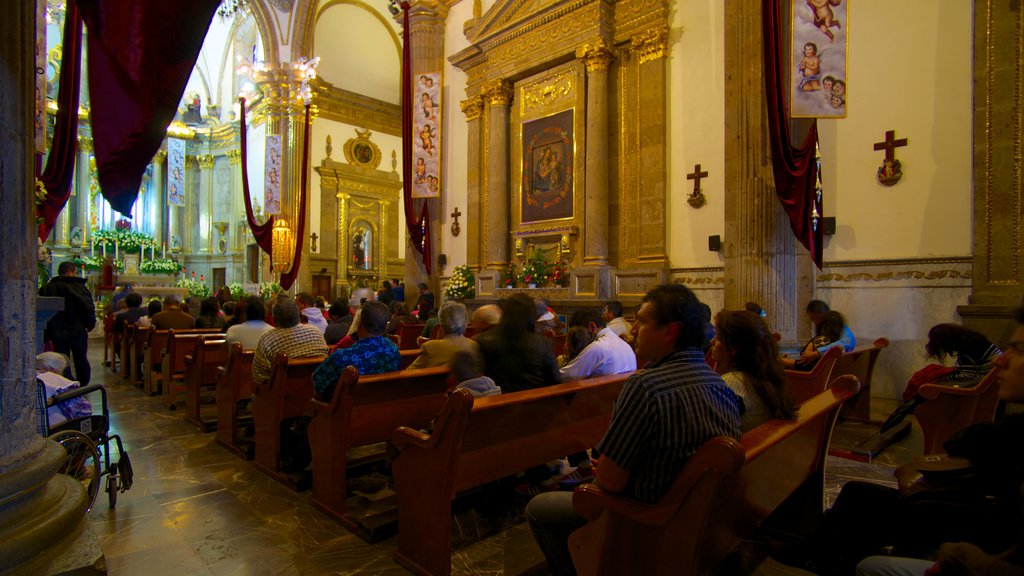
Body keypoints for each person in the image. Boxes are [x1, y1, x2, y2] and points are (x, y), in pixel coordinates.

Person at [780, 308, 1024, 576]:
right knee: (857, 492)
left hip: (979, 529)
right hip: (976, 513)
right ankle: (826, 555)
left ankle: (827, 557)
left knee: (870, 543)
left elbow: (964, 443)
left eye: (1018, 349)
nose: (1002, 360)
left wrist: (959, 556)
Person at [526, 284, 743, 576]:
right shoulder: (719, 384)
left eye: (641, 321)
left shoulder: (646, 386)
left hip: (642, 519)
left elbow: (609, 484)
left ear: (670, 331)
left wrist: (605, 469)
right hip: (699, 521)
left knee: (540, 508)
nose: (633, 329)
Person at [712, 310, 796, 432]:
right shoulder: (765, 376)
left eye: (718, 338)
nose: (712, 342)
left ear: (735, 348)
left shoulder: (732, 383)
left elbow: (712, 432)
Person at [312, 301, 400, 402]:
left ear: (359, 323)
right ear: (385, 327)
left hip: (344, 414)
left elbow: (318, 386)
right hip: (381, 409)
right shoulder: (394, 350)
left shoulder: (341, 357)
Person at [475, 294, 559, 394]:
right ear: (532, 316)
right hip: (535, 402)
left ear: (504, 313)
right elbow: (555, 380)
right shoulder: (543, 343)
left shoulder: (484, 340)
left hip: (498, 402)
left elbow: (480, 377)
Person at [39, 262, 97, 385]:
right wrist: (90, 324)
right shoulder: (79, 287)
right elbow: (88, 308)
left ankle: (65, 381)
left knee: (61, 357)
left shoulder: (48, 287)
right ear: (71, 272)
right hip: (77, 328)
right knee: (80, 357)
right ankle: (83, 382)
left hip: (56, 329)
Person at [252, 296, 328, 386]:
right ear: (298, 315)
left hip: (279, 395)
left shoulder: (268, 339)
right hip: (314, 391)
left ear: (274, 319)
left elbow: (259, 377)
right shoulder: (316, 333)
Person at [559, 308, 637, 382]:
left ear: (592, 327)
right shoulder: (623, 344)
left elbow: (564, 377)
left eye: (579, 334)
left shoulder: (597, 347)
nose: (578, 340)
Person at [407, 301, 478, 370]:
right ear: (464, 324)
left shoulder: (430, 347)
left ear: (441, 326)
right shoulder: (474, 346)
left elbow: (409, 373)